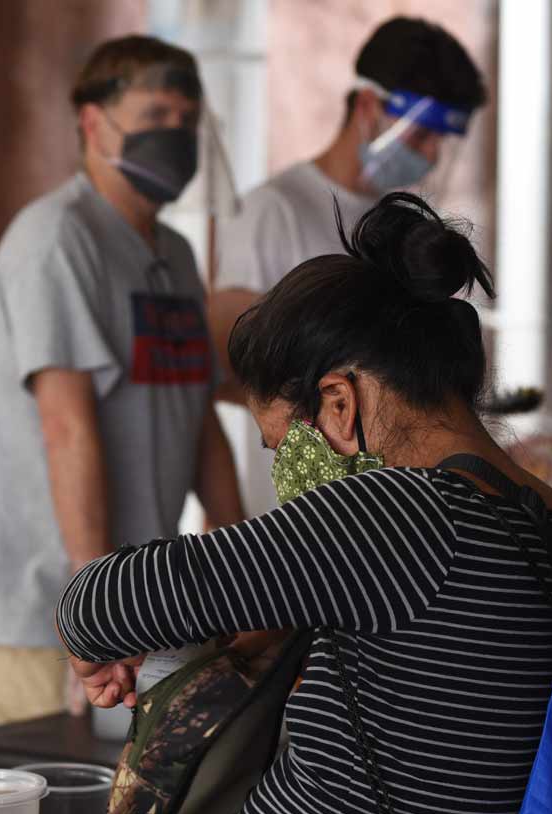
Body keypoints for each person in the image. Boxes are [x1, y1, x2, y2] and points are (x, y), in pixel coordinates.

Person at [57, 194, 552, 814]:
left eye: (280, 443)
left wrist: (93, 640)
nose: (284, 467)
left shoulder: (400, 512)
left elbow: (106, 602)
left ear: (340, 406)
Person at [0, 35, 243, 727]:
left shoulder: (171, 254)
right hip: (50, 595)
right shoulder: (56, 240)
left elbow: (201, 417)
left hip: (140, 589)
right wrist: (96, 610)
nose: (174, 135)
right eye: (154, 115)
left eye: (186, 120)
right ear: (92, 122)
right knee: (44, 792)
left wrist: (241, 578)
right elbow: (66, 425)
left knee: (137, 791)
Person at [208, 17, 487, 515]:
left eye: (441, 141)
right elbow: (232, 364)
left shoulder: (400, 226)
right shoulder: (275, 210)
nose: (431, 153)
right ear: (367, 106)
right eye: (421, 134)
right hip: (296, 513)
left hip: (392, 509)